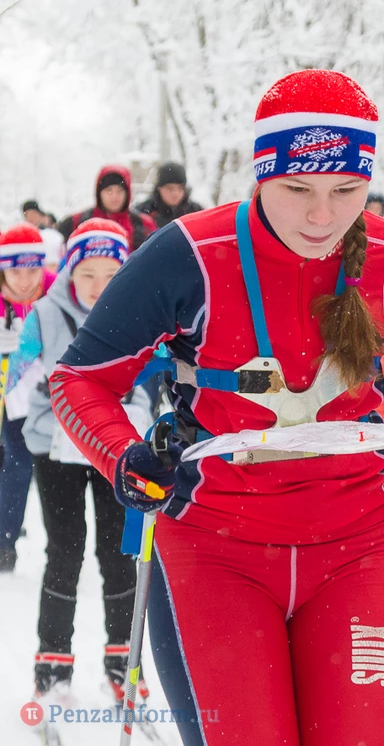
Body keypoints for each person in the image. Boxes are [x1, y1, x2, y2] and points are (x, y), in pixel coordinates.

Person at [49, 70, 384, 746]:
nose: (323, 216)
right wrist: (124, 456)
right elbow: (79, 379)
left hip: (356, 550)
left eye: (346, 190)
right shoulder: (192, 254)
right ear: (260, 176)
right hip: (216, 551)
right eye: (298, 189)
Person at [11, 220, 157, 703]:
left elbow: (149, 380)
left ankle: (123, 662)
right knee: (64, 551)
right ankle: (53, 663)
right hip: (55, 448)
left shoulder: (137, 312)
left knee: (118, 554)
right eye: (87, 273)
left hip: (114, 448)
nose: (98, 285)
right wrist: (36, 411)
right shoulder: (44, 314)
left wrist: (135, 420)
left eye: (110, 274)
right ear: (70, 271)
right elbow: (18, 378)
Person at [0, 223, 53, 571]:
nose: (24, 280)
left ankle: (11, 539)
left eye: (32, 270)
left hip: (44, 394)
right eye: (15, 271)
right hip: (9, 393)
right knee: (14, 463)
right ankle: (5, 537)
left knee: (34, 467)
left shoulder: (55, 291)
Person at [57, 166, 156, 250]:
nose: (114, 196)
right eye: (109, 190)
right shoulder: (77, 221)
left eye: (120, 190)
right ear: (99, 193)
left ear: (128, 193)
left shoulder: (143, 224)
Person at [136, 161, 205, 229]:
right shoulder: (143, 212)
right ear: (159, 188)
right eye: (170, 188)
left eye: (180, 188)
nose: (175, 193)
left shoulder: (196, 212)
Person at [20, 202, 64, 267]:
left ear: (39, 214)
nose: (31, 218)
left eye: (33, 214)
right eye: (27, 215)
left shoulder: (52, 234)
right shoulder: (23, 236)